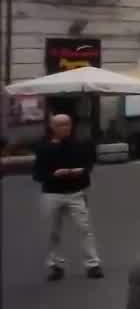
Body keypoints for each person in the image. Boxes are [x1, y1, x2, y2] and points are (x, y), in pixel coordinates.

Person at [32, 113, 103, 281]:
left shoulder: (79, 145)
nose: (65, 128)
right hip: (52, 194)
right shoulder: (44, 148)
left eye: (68, 124)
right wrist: (54, 175)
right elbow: (37, 174)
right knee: (52, 232)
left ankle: (93, 265)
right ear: (53, 128)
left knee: (85, 228)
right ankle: (55, 266)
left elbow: (88, 166)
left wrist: (81, 172)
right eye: (61, 125)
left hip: (75, 193)